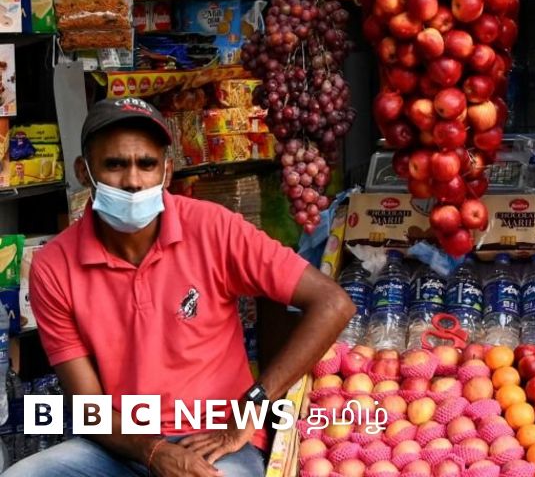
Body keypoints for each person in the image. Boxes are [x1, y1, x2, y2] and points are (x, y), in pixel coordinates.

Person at [4, 97, 355, 476]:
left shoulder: (214, 229)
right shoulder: (54, 265)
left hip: (217, 441)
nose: (134, 181)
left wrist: (255, 402)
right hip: (123, 444)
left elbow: (333, 303)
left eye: (147, 164)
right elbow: (89, 406)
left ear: (167, 172)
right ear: (85, 172)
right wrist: (152, 451)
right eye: (115, 165)